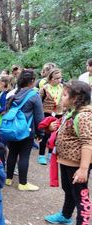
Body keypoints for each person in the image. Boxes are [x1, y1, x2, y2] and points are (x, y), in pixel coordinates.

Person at [44, 80, 92, 225]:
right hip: (65, 161)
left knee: (80, 195)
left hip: (77, 165)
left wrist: (83, 169)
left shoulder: (84, 116)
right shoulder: (71, 112)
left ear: (76, 99)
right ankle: (66, 215)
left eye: (64, 95)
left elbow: (88, 142)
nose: (61, 97)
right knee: (68, 189)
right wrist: (52, 127)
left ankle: (82, 222)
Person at [5, 69, 44, 191]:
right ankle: (23, 183)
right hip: (27, 131)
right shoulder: (34, 96)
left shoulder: (13, 94)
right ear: (32, 81)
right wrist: (40, 132)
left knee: (12, 153)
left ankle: (8, 179)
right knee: (24, 156)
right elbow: (39, 116)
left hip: (12, 129)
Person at [38, 68, 64, 165]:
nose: (59, 80)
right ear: (51, 78)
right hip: (47, 113)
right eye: (56, 78)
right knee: (45, 135)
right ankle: (41, 155)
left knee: (55, 135)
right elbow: (39, 102)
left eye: (60, 78)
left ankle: (50, 153)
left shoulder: (62, 87)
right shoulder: (44, 88)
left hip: (59, 113)